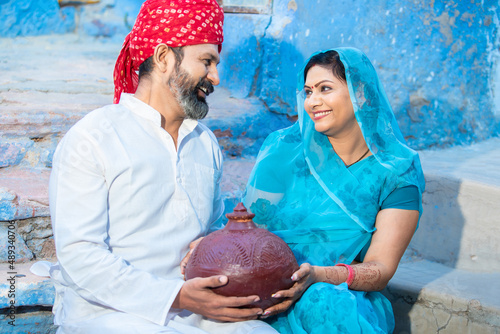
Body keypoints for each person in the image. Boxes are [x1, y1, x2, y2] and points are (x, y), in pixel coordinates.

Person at [48, 0, 277, 333]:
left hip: (195, 306)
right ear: (163, 58)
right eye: (206, 61)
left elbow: (211, 228)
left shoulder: (205, 142)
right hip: (107, 312)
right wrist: (176, 296)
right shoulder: (93, 138)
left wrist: (212, 246)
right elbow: (81, 256)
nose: (215, 76)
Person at [242, 47, 426, 333]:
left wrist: (319, 275)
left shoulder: (396, 172)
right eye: (307, 92)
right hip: (269, 286)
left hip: (338, 294)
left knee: (324, 302)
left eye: (324, 89)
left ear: (361, 94)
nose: (313, 102)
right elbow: (249, 229)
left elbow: (381, 269)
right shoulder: (285, 150)